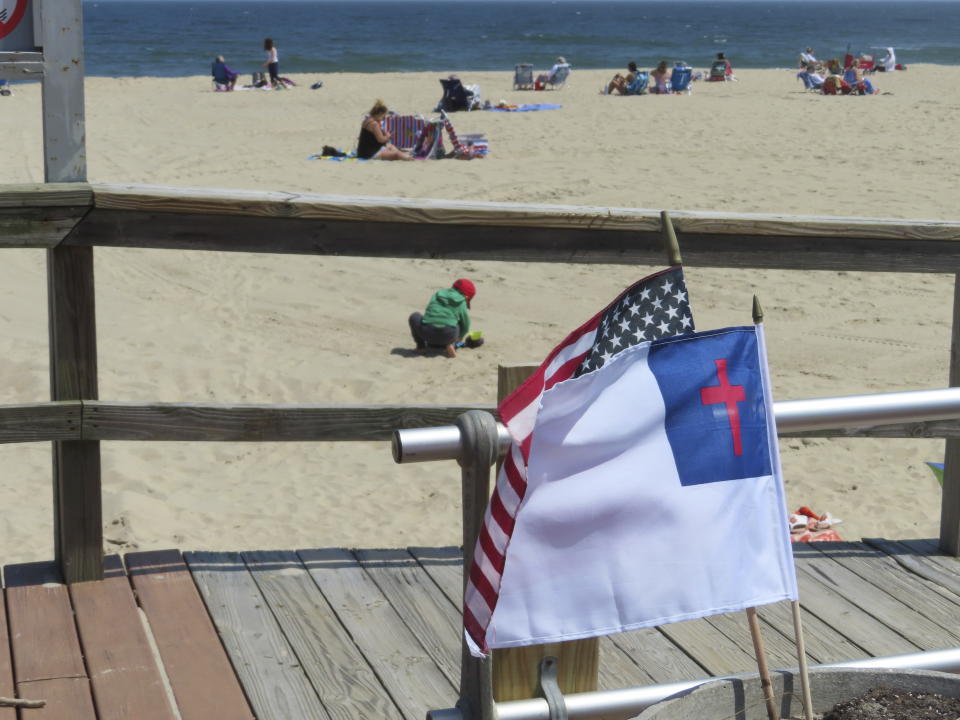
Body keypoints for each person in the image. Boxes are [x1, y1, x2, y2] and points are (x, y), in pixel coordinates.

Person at [408, 278, 480, 358]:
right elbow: (466, 325)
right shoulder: (462, 300)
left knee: (414, 316)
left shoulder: (438, 294)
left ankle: (421, 347)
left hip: (427, 332)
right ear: (466, 297)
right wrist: (459, 338)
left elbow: (429, 313)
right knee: (458, 324)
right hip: (448, 334)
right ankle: (452, 345)